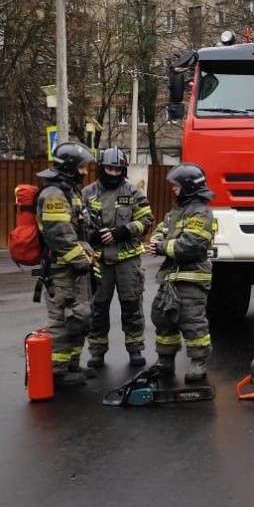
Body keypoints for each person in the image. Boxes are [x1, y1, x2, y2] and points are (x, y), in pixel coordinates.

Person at [82, 147, 154, 369]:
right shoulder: (87, 193)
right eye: (110, 169)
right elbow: (76, 224)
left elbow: (147, 220)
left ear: (123, 171)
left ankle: (135, 350)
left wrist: (123, 231)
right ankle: (96, 352)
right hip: (98, 261)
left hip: (127, 261)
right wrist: (91, 236)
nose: (113, 173)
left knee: (132, 304)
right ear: (102, 168)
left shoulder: (132, 192)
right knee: (98, 306)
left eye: (118, 170)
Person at [36, 141, 96, 387]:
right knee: (60, 320)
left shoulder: (70, 191)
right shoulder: (53, 195)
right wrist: (81, 261)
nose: (85, 172)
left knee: (79, 317)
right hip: (61, 270)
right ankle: (56, 372)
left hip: (75, 269)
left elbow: (81, 228)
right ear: (70, 167)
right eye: (82, 167)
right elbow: (59, 234)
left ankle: (72, 364)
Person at [148, 163, 216, 383]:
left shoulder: (201, 212)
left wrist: (160, 246)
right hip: (170, 276)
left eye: (176, 186)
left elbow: (192, 245)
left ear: (188, 186)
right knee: (162, 316)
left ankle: (198, 361)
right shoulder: (176, 210)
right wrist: (157, 239)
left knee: (191, 320)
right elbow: (161, 230)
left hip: (192, 277)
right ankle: (165, 360)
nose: (173, 189)